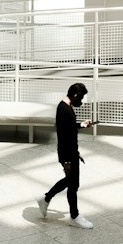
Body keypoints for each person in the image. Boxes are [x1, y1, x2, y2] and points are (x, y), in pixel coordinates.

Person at [37, 82, 94, 228]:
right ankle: (74, 216)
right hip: (68, 153)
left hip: (70, 152)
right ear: (75, 95)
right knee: (73, 184)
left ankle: (46, 199)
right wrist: (67, 160)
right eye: (80, 98)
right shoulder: (64, 110)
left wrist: (81, 125)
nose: (81, 102)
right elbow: (63, 136)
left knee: (71, 182)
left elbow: (68, 128)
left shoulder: (65, 108)